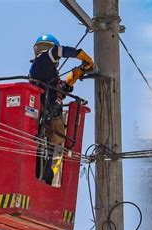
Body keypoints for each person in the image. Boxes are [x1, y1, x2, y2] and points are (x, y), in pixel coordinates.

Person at [30, 34, 95, 184]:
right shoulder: (42, 63)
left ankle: (45, 180)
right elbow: (59, 51)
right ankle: (42, 180)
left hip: (51, 119)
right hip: (46, 119)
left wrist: (77, 73)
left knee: (50, 156)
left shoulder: (47, 74)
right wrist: (81, 55)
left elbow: (62, 89)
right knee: (44, 156)